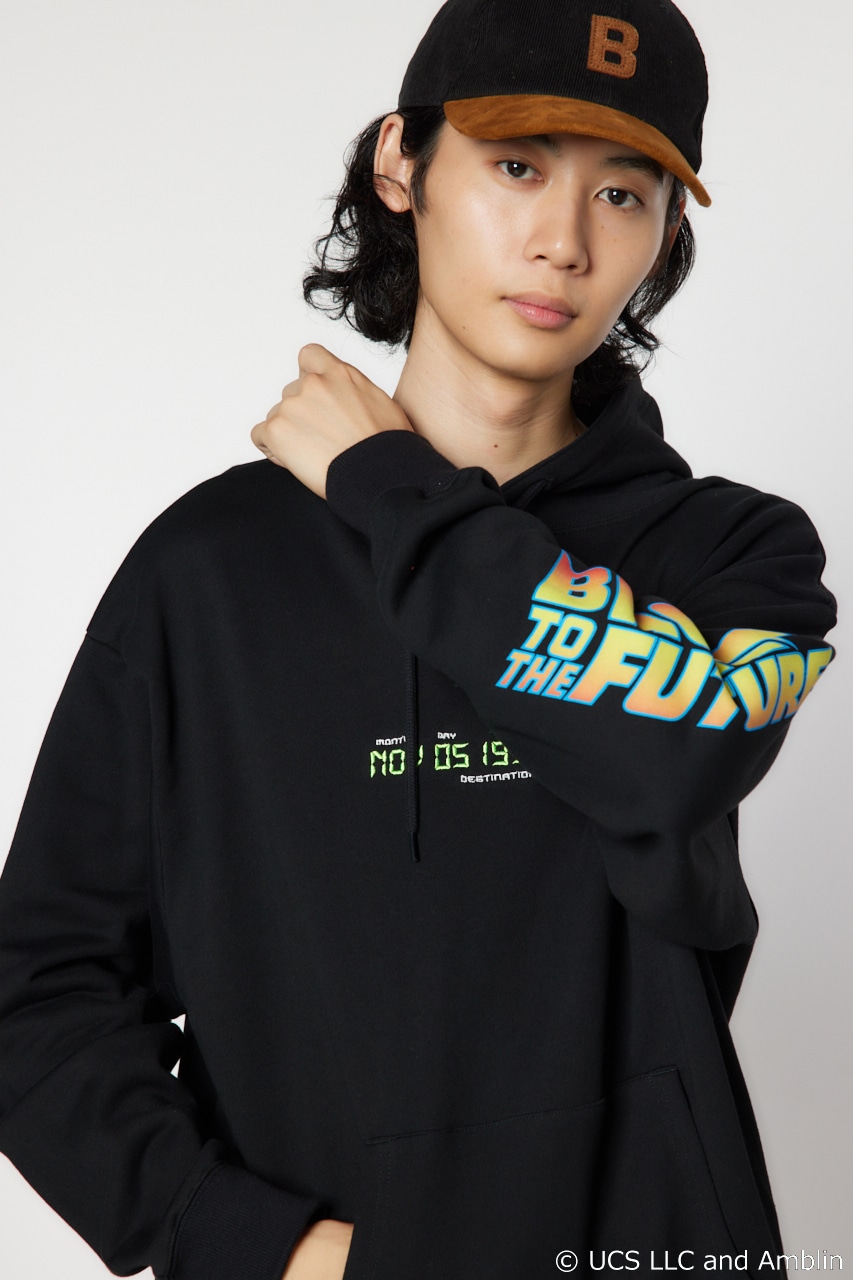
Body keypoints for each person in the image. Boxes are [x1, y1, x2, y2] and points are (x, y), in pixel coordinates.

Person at [0, 1, 838, 1278]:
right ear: (403, 162)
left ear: (665, 233)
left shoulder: (731, 555)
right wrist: (257, 1243)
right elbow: (37, 990)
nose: (563, 241)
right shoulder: (208, 572)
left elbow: (677, 746)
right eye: (517, 167)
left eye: (622, 194)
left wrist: (392, 491)